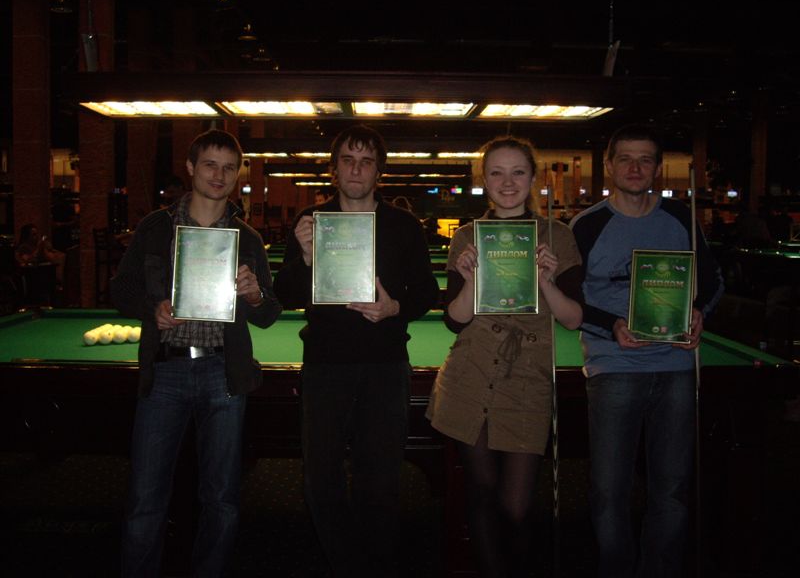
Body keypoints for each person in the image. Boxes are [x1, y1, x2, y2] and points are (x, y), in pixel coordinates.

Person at [110, 129, 282, 577]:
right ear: (190, 168)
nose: (219, 175)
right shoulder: (155, 228)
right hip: (164, 372)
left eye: (229, 168)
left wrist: (254, 295)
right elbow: (121, 288)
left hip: (224, 374)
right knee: (145, 498)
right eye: (210, 164)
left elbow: (269, 313)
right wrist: (153, 309)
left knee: (222, 499)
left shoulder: (247, 238)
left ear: (237, 174)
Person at [273, 124, 439, 577]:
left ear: (378, 172)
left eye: (366, 162)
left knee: (380, 481)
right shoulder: (312, 222)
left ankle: (376, 564)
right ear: (334, 169)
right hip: (325, 366)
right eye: (348, 160)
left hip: (386, 366)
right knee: (320, 480)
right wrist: (306, 258)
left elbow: (427, 292)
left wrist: (395, 308)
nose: (356, 169)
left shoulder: (403, 225)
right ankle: (347, 564)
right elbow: (285, 293)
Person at [569, 124, 724, 578]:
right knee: (608, 492)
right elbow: (569, 300)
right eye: (625, 158)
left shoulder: (680, 218)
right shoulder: (587, 225)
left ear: (657, 168)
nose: (635, 168)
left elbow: (712, 281)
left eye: (645, 160)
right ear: (609, 166)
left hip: (676, 366)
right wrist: (611, 325)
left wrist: (698, 311)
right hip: (613, 367)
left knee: (672, 490)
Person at [426, 136, 584, 577]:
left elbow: (573, 319)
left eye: (518, 172)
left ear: (533, 178)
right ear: (484, 180)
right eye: (497, 172)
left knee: (516, 506)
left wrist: (547, 280)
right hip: (471, 373)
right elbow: (455, 320)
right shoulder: (467, 237)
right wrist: (469, 277)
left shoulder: (558, 235)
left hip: (528, 379)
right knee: (481, 490)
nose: (508, 182)